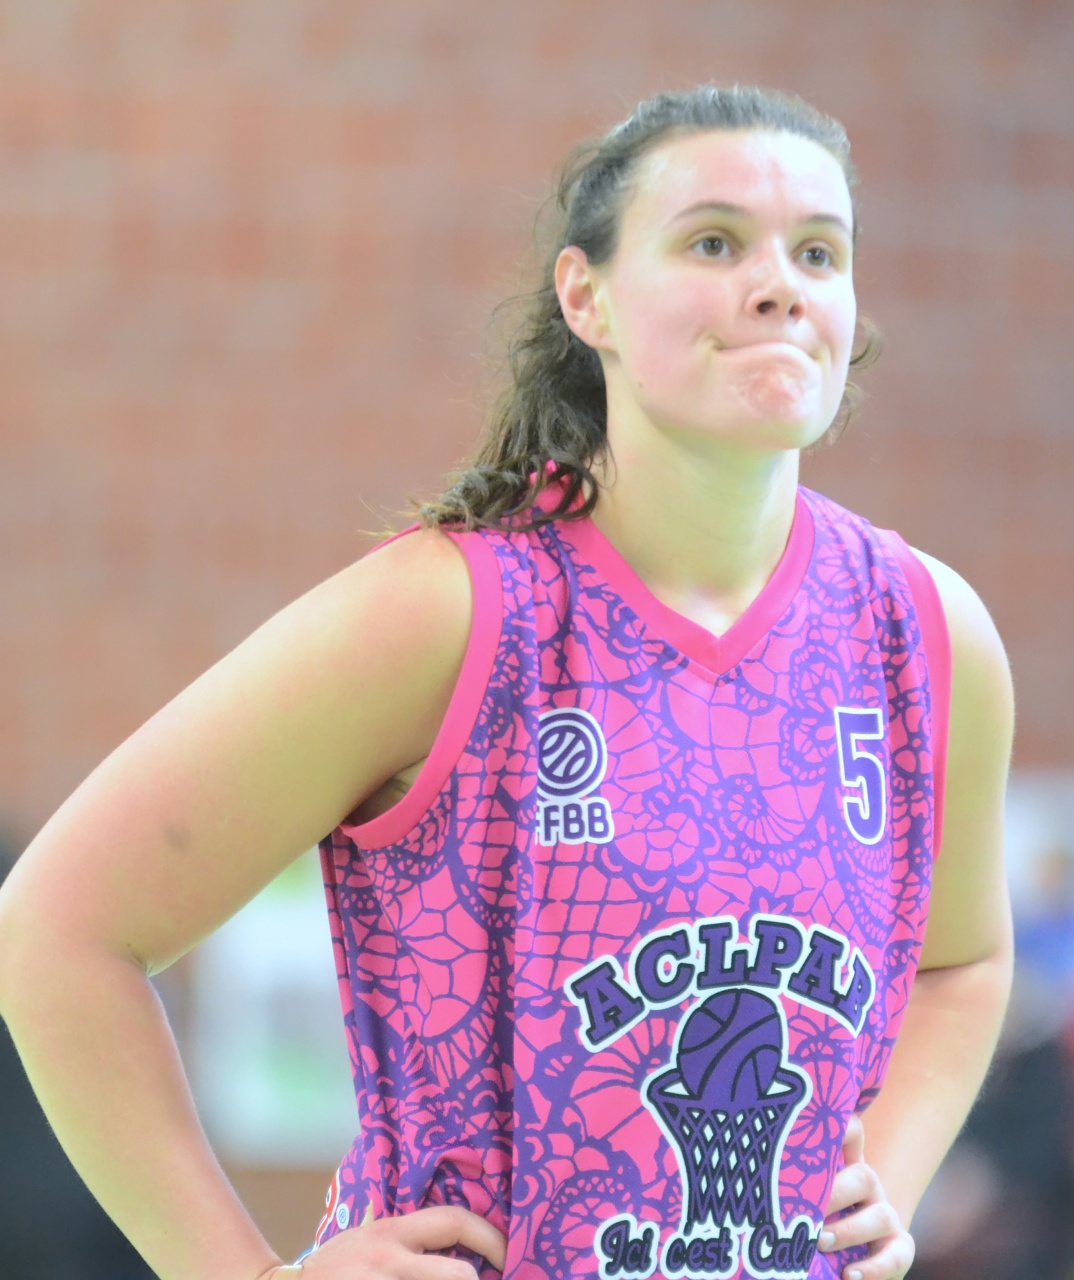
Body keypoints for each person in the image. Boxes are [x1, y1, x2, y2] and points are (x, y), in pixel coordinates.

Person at [0, 84, 1014, 1280]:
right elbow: (55, 930)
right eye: (713, 242)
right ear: (587, 298)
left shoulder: (925, 629)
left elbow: (964, 961)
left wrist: (888, 1173)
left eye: (818, 253)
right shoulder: (448, 611)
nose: (779, 284)